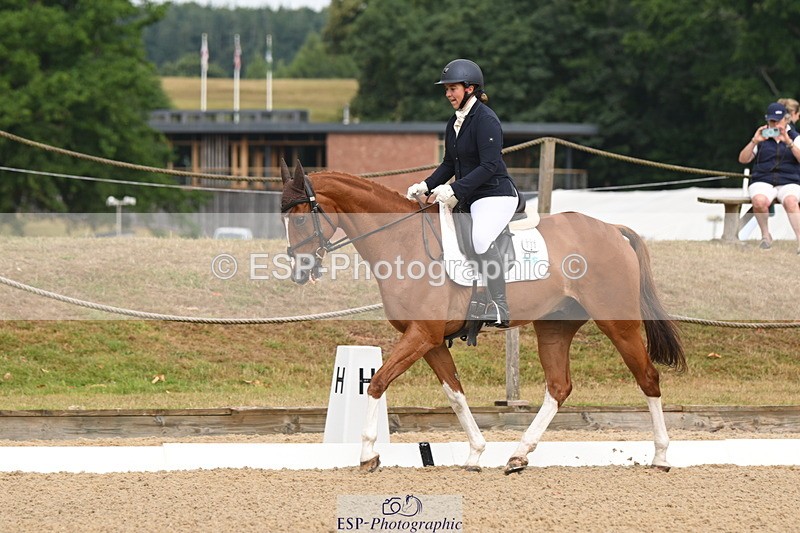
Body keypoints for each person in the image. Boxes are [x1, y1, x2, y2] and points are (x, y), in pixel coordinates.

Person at [406, 59, 519, 327]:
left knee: (479, 239)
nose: (448, 94)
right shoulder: (454, 123)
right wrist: (427, 185)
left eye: (452, 88)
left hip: (495, 194)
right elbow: (449, 164)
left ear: (470, 88)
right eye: (446, 89)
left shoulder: (486, 119)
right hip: (469, 195)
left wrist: (455, 188)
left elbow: (490, 165)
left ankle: (499, 305)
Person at [738, 102, 800, 252]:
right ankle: (766, 236)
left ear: (786, 120)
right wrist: (754, 142)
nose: (775, 125)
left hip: (789, 180)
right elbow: (743, 159)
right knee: (759, 201)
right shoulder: (762, 137)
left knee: (791, 201)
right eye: (772, 121)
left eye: (778, 121)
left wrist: (789, 143)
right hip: (763, 179)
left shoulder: (795, 137)